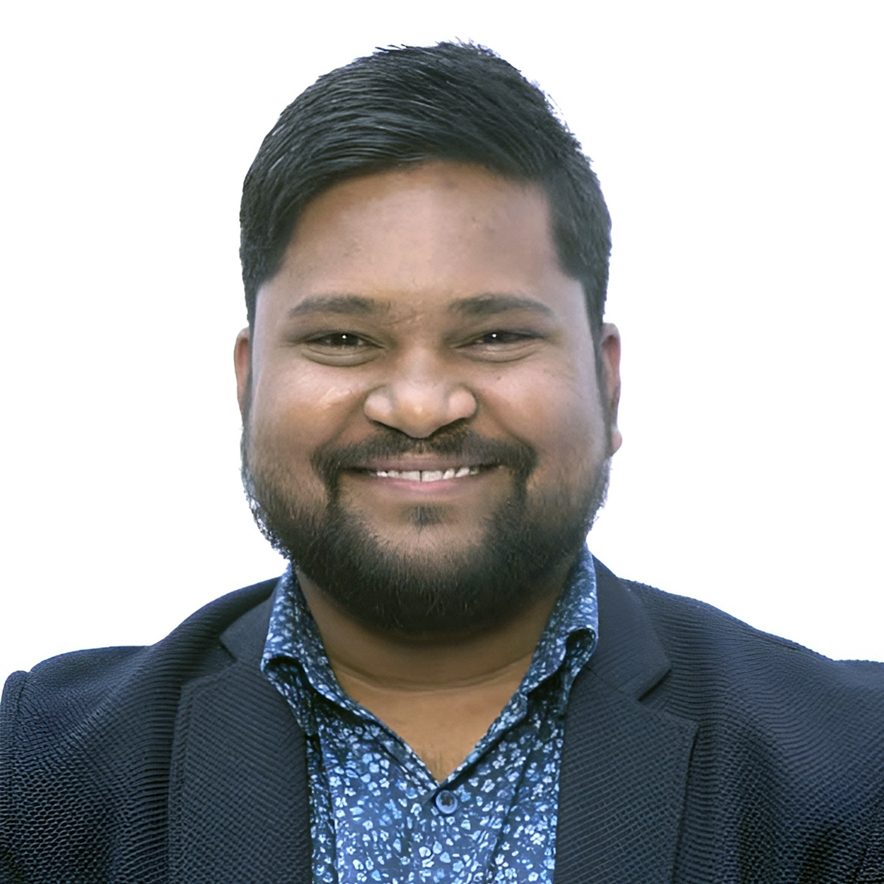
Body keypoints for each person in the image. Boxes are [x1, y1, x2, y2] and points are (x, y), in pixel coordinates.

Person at [1, 42, 882, 884]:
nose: (421, 406)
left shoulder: (853, 769)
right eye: (342, 339)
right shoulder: (36, 774)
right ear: (248, 381)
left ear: (607, 382)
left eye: (495, 336)